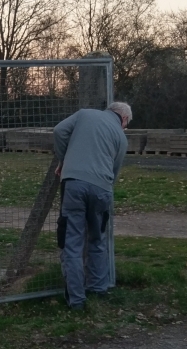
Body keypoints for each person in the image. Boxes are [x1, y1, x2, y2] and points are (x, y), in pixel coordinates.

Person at [52, 101, 131, 310]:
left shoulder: (84, 114)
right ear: (123, 119)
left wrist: (64, 160)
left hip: (74, 185)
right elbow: (115, 171)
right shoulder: (121, 138)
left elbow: (59, 131)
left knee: (72, 242)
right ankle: (98, 288)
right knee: (97, 239)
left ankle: (77, 301)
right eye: (127, 124)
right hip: (102, 190)